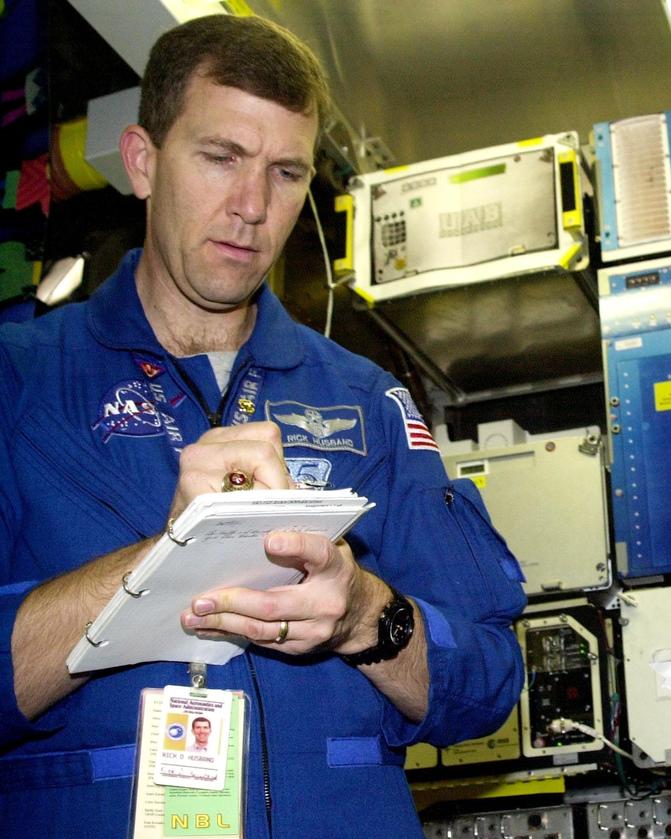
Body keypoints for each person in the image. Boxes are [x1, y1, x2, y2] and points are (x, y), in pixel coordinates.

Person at [0, 14, 526, 837]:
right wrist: (162, 562)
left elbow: (489, 682)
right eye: (220, 158)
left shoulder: (370, 402)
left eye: (286, 173)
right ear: (141, 162)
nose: (251, 207)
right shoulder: (19, 381)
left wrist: (363, 614)